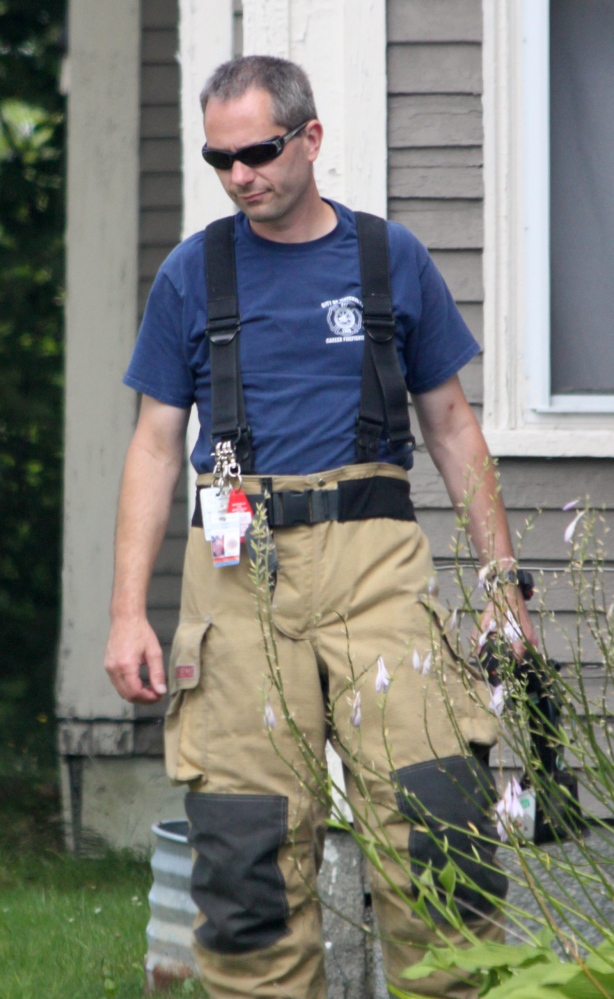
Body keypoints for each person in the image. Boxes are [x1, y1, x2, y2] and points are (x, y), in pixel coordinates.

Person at [105, 56, 537, 999]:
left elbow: (455, 426)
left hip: (377, 565)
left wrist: (505, 586)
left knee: (440, 834)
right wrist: (128, 611)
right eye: (219, 157)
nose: (238, 174)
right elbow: (152, 445)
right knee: (248, 859)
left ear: (310, 138)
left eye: (256, 151)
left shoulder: (390, 260)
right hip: (237, 574)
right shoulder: (193, 272)